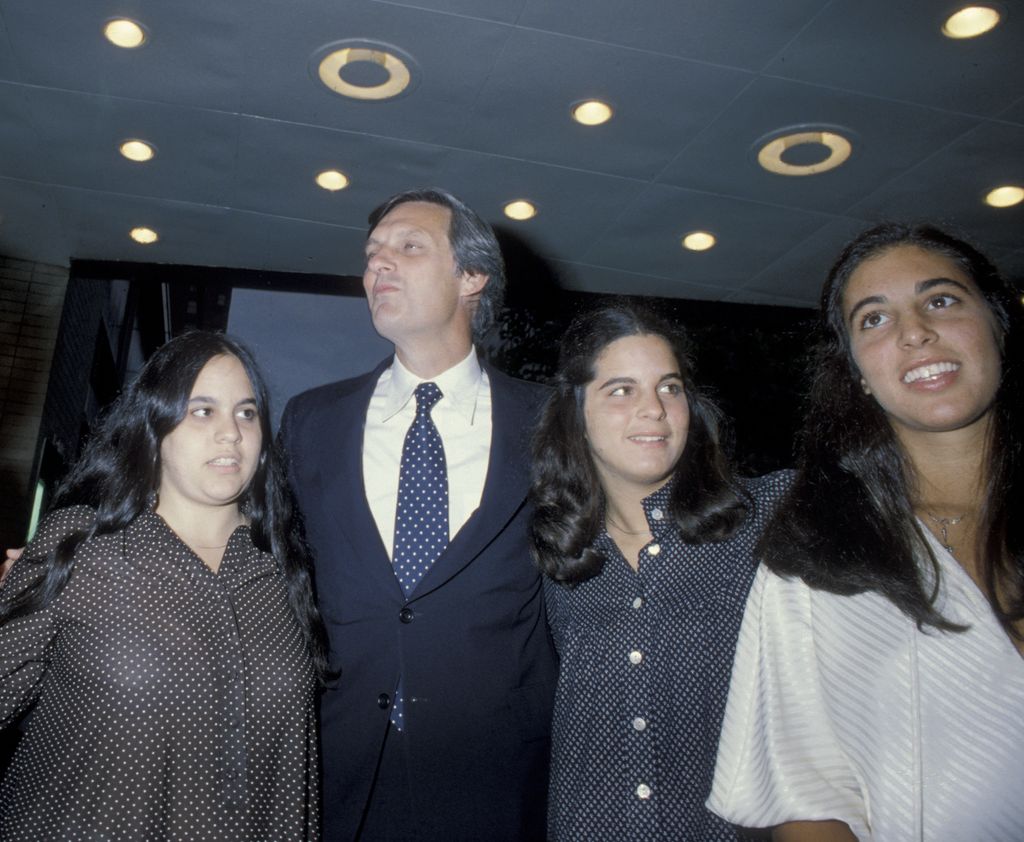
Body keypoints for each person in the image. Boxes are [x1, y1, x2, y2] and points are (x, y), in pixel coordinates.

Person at [708, 223, 1024, 841]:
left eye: (940, 300)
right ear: (855, 371)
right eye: (874, 320)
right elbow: (806, 801)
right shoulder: (813, 555)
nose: (915, 333)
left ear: (997, 324)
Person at [279, 188, 558, 841]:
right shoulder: (312, 421)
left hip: (495, 778)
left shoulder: (552, 421)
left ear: (472, 276)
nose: (379, 266)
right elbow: (268, 563)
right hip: (341, 775)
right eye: (372, 254)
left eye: (408, 246)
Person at [0, 331, 327, 839]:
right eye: (202, 410)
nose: (231, 434)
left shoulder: (284, 573)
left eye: (246, 413)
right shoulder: (83, 546)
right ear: (154, 424)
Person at [530, 304, 791, 840]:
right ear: (575, 411)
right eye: (621, 390)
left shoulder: (767, 517)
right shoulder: (548, 554)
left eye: (669, 388)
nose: (653, 409)